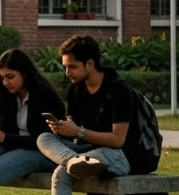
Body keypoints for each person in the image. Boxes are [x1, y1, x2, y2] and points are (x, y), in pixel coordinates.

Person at [37, 34, 135, 194]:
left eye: (73, 67)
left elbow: (118, 140)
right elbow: (75, 133)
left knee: (61, 174)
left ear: (90, 63)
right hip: (85, 151)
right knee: (44, 138)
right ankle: (73, 161)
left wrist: (78, 131)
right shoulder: (75, 89)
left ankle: (75, 162)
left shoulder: (119, 89)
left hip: (116, 155)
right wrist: (63, 129)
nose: (67, 72)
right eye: (65, 67)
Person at [0, 49, 65, 195]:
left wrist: (5, 137)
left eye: (10, 77)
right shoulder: (7, 95)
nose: (5, 82)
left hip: (41, 152)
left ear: (24, 73)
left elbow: (46, 141)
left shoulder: (45, 96)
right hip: (13, 147)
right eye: (2, 78)